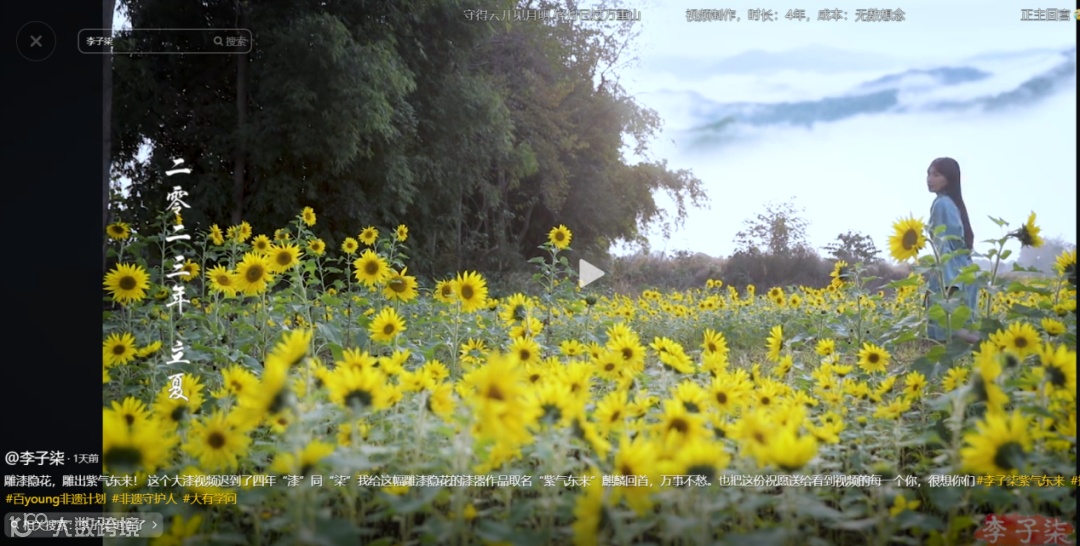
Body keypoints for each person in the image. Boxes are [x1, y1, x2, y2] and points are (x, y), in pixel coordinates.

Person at [925, 157, 980, 344]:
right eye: (928, 174)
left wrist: (948, 284)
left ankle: (994, 345)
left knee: (950, 332)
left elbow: (943, 244)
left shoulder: (941, 204)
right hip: (965, 272)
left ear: (949, 178)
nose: (929, 179)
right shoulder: (953, 203)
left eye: (936, 174)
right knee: (962, 338)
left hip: (951, 273)